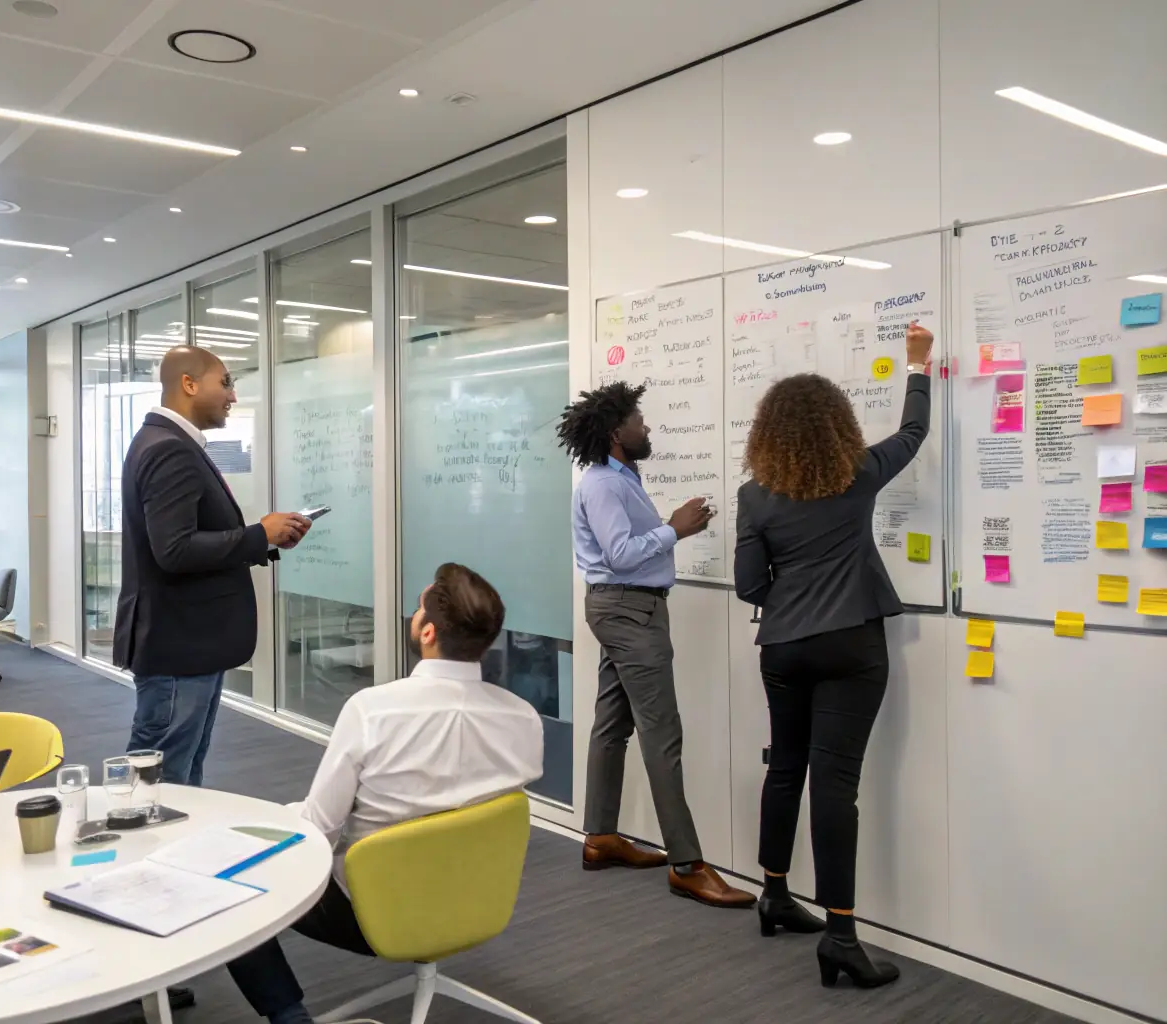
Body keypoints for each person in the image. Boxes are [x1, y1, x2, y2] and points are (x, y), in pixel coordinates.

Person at [225, 563, 544, 1024]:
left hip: (375, 912)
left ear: (428, 631)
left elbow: (319, 832)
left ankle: (289, 1016)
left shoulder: (373, 711)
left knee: (231, 877)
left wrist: (277, 818)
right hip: (478, 900)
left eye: (417, 610)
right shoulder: (523, 719)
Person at [733, 322, 934, 989]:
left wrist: (788, 590)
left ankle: (773, 893)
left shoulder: (754, 496)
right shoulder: (856, 475)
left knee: (785, 768)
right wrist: (916, 366)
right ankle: (841, 936)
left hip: (782, 647)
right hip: (850, 645)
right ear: (837, 426)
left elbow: (747, 586)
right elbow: (911, 436)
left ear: (768, 432)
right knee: (835, 785)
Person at [557, 381, 754, 910]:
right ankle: (688, 865)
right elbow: (621, 553)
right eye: (639, 422)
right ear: (616, 432)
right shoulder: (602, 484)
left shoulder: (622, 477)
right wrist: (675, 529)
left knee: (612, 723)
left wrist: (669, 529)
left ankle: (600, 837)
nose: (647, 428)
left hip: (627, 607)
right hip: (628, 609)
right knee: (662, 734)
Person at [115, 346, 312, 787]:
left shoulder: (168, 442)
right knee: (164, 779)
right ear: (189, 384)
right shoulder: (170, 449)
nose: (233, 396)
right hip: (179, 643)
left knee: (181, 770)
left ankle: (173, 851)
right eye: (225, 383)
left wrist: (267, 540)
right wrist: (259, 533)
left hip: (185, 642)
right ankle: (153, 852)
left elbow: (184, 540)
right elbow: (176, 550)